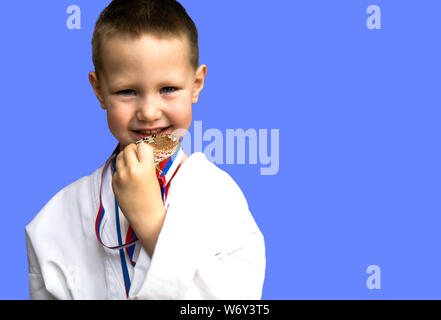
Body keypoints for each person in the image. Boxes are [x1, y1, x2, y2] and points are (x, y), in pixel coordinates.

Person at [25, 0, 265, 300]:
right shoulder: (52, 222)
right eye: (127, 91)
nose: (149, 112)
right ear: (98, 90)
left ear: (196, 84)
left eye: (168, 89)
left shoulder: (221, 200)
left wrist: (152, 223)